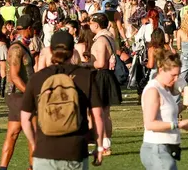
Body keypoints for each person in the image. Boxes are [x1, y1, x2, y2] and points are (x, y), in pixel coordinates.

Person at [20, 30, 96, 170]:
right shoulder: (85, 76)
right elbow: (98, 115)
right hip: (75, 150)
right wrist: (100, 143)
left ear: (50, 50)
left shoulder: (38, 78)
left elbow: (25, 118)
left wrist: (34, 142)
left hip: (44, 151)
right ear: (73, 51)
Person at [141, 49, 188, 170]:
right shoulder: (153, 91)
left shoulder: (165, 89)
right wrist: (178, 125)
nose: (176, 79)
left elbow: (167, 113)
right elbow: (150, 124)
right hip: (157, 148)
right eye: (173, 75)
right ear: (161, 70)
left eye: (178, 75)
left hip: (166, 148)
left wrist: (185, 104)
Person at [0, 5, 39, 170]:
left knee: (14, 133)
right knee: (34, 134)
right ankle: (33, 167)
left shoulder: (23, 46)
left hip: (19, 96)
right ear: (28, 29)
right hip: (19, 96)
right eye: (33, 29)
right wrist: (30, 93)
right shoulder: (16, 48)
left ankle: (3, 168)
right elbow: (14, 77)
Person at [89, 12, 121, 159]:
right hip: (106, 76)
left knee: (101, 113)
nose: (89, 25)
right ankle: (104, 144)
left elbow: (101, 63)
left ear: (96, 24)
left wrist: (86, 64)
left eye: (90, 23)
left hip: (101, 76)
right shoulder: (109, 37)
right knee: (105, 113)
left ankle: (104, 145)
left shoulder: (101, 41)